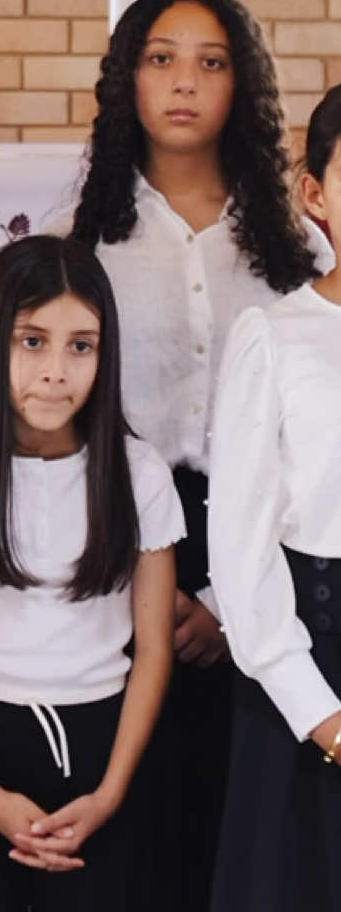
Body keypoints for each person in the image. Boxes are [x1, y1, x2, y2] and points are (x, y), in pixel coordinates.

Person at [69, 0, 326, 911]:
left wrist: (226, 597)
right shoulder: (91, 240)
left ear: (242, 86)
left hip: (267, 550)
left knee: (249, 821)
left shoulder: (297, 246)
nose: (185, 83)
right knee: (141, 822)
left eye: (212, 63)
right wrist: (161, 582)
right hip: (124, 536)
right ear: (127, 80)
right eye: (161, 59)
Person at [0, 234, 183, 909]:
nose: (56, 369)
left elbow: (153, 651)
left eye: (80, 344)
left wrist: (110, 792)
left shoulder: (138, 474)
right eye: (33, 341)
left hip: (102, 746)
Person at [207, 84, 341, 911]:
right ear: (316, 193)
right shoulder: (276, 336)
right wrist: (324, 716)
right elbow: (244, 554)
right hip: (307, 668)